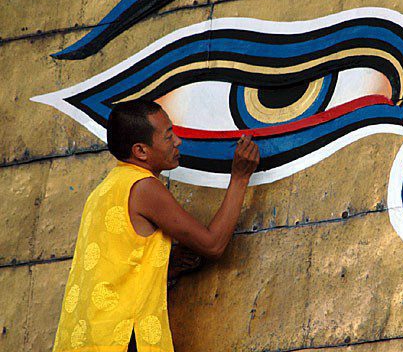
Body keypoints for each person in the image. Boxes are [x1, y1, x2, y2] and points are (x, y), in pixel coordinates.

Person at [52, 100, 260, 352]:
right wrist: (240, 177)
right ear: (141, 151)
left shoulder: (104, 190)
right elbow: (213, 244)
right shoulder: (144, 187)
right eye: (168, 135)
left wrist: (167, 264)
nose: (177, 142)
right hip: (123, 338)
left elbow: (120, 264)